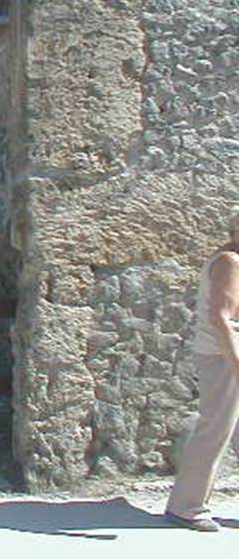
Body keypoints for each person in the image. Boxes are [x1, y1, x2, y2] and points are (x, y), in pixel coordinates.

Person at [165, 213, 239, 532]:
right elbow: (221, 318)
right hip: (224, 356)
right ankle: (186, 506)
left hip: (227, 354)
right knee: (215, 429)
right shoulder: (230, 261)